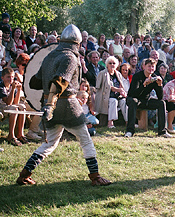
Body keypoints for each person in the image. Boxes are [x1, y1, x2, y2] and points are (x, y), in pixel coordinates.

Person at [16, 24, 111, 186]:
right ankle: (95, 177)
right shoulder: (70, 57)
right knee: (85, 140)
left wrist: (48, 101)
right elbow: (60, 81)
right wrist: (50, 104)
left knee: (50, 143)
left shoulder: (49, 57)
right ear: (77, 43)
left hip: (50, 105)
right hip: (67, 105)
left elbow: (35, 82)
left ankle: (24, 174)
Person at [125, 58, 173, 138]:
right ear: (144, 66)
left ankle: (162, 131)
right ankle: (130, 131)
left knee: (161, 103)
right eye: (149, 66)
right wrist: (144, 85)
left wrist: (159, 85)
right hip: (133, 99)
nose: (151, 68)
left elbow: (160, 97)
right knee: (133, 101)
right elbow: (133, 94)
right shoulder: (137, 76)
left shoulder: (154, 77)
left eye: (153, 67)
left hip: (145, 100)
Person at [95, 56, 127, 128]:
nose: (112, 65)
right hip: (106, 96)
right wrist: (118, 90)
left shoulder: (118, 74)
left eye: (114, 63)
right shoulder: (102, 73)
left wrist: (122, 92)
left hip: (117, 95)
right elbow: (102, 87)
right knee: (113, 101)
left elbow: (121, 85)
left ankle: (127, 121)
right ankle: (110, 122)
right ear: (107, 64)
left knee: (124, 101)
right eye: (110, 63)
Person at [0, 67, 26, 146]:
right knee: (14, 109)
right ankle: (11, 135)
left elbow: (16, 102)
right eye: (8, 77)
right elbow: (8, 102)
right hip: (2, 107)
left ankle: (20, 134)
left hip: (8, 106)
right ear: (2, 78)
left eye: (12, 77)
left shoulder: (12, 86)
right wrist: (13, 89)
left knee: (22, 107)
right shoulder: (1, 87)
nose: (11, 79)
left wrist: (18, 90)